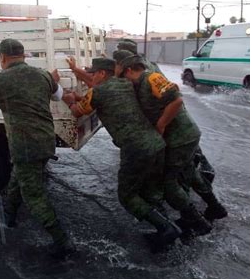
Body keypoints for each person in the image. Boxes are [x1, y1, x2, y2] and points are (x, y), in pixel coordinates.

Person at [0, 38, 75, 259]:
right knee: (19, 177)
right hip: (46, 140)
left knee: (33, 194)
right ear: (23, 55)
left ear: (2, 58)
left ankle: (62, 240)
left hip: (24, 145)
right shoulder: (43, 75)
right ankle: (9, 216)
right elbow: (59, 95)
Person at [63, 57, 182, 250]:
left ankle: (167, 228)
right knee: (152, 190)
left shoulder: (98, 92)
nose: (91, 77)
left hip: (136, 149)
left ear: (102, 74)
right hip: (156, 144)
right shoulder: (125, 84)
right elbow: (102, 101)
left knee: (126, 196)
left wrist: (69, 101)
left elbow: (78, 112)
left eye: (93, 73)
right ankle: (164, 229)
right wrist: (80, 94)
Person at [120, 55, 226, 233]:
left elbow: (176, 99)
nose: (124, 80)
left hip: (181, 138)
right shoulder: (141, 83)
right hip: (183, 137)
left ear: (129, 70)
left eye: (124, 75)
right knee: (189, 172)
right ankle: (215, 208)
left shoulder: (152, 77)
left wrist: (161, 124)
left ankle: (197, 222)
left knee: (169, 183)